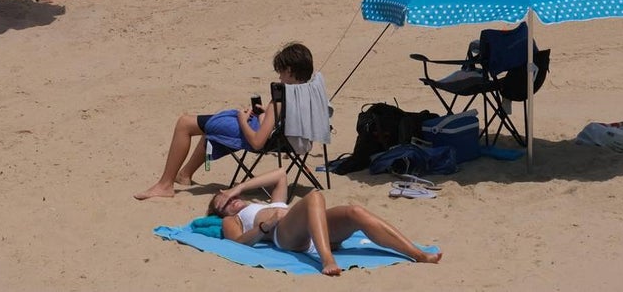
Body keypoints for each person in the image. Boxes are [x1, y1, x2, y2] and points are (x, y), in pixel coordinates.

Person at [134, 43, 314, 200]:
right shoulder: (308, 93)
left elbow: (257, 143)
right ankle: (185, 175)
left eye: (281, 72)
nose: (280, 77)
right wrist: (264, 114)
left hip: (260, 136)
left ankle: (165, 185)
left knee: (185, 123)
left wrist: (242, 120)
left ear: (289, 70)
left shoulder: (280, 100)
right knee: (211, 125)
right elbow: (281, 121)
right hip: (282, 138)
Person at [208, 168, 442, 276]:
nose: (230, 201)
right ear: (221, 212)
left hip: (311, 228)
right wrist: (266, 225)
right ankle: (327, 259)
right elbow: (237, 243)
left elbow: (280, 174)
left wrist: (238, 187)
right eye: (224, 203)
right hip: (285, 235)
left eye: (230, 196)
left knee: (355, 212)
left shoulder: (269, 202)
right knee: (314, 197)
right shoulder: (232, 219)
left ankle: (418, 254)